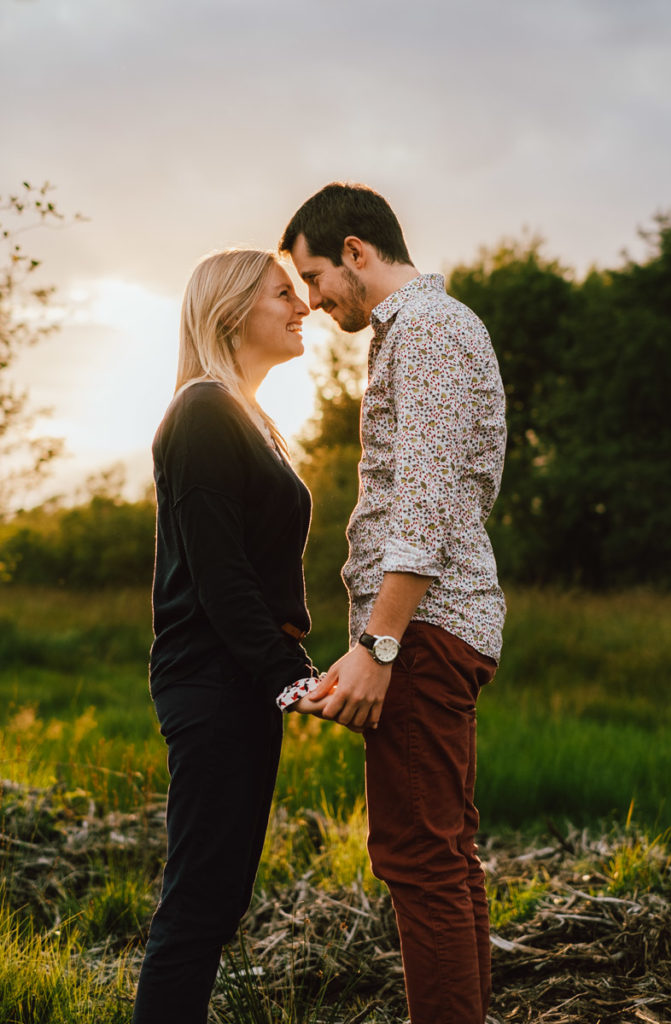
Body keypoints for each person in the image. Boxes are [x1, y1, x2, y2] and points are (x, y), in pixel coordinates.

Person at [280, 183, 507, 1024]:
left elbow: (425, 503)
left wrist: (379, 647)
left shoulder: (434, 331)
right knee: (444, 856)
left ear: (354, 249)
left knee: (417, 858)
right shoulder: (411, 335)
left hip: (423, 629)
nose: (311, 300)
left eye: (311, 277)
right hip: (427, 626)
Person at [132, 248, 317, 1024]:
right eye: (284, 293)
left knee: (218, 900)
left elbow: (251, 572)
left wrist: (287, 670)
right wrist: (293, 676)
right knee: (199, 902)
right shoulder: (204, 410)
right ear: (232, 311)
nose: (302, 306)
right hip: (211, 682)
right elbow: (220, 578)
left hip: (240, 682)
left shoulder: (249, 416)